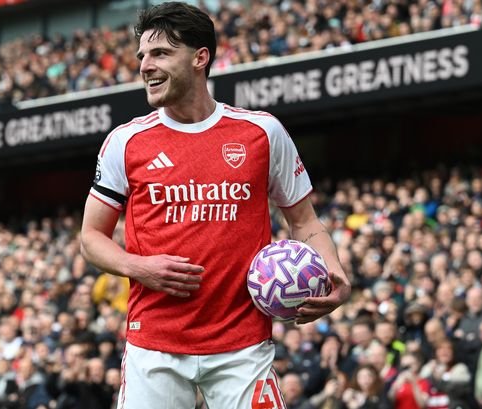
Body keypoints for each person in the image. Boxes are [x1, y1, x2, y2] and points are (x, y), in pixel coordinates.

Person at [79, 2, 351, 408]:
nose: (145, 65)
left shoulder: (262, 133)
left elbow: (305, 222)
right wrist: (138, 267)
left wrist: (333, 269)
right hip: (154, 346)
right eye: (142, 56)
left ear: (199, 58)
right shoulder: (125, 142)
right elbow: (90, 237)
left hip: (243, 345)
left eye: (160, 53)